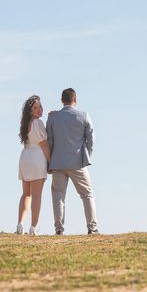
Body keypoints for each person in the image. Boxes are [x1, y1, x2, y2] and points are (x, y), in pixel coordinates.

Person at [46, 88, 98, 235]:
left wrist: (49, 162)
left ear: (62, 100)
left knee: (58, 196)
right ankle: (92, 228)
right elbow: (91, 139)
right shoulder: (84, 116)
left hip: (57, 162)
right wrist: (86, 156)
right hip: (78, 162)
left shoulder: (53, 117)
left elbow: (49, 141)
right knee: (87, 194)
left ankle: (59, 230)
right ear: (75, 99)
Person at [17, 95, 51, 235]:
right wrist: (51, 161)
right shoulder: (38, 123)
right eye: (35, 108)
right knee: (36, 195)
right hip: (37, 158)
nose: (39, 110)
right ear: (30, 111)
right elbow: (44, 144)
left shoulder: (25, 124)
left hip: (25, 157)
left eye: (40, 106)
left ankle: (20, 224)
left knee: (26, 193)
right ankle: (33, 227)